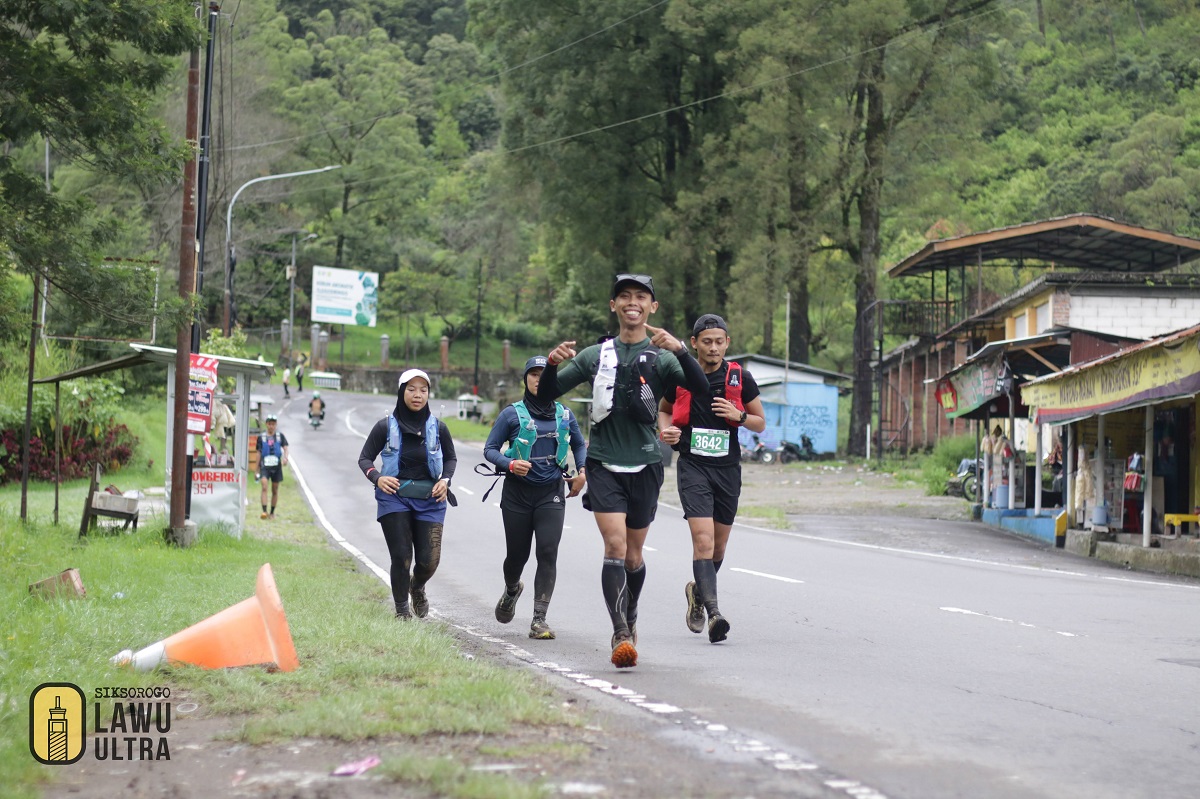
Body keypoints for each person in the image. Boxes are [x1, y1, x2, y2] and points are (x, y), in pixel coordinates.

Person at [538, 273, 709, 668]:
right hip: (603, 464)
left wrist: (682, 351)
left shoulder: (664, 356)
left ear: (653, 307)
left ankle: (631, 618)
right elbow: (547, 393)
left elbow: (701, 389)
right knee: (614, 546)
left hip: (647, 464)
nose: (633, 302)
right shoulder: (596, 356)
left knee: (633, 555)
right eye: (624, 297)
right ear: (614, 306)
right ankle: (619, 633)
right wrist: (551, 363)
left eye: (641, 297)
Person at [657, 313, 766, 644]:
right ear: (694, 344)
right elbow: (663, 409)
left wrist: (740, 416)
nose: (714, 347)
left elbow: (760, 422)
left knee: (718, 547)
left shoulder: (740, 378)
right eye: (707, 342)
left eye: (719, 342)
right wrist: (667, 431)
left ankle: (697, 592)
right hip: (693, 467)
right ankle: (715, 614)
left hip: (728, 470)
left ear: (727, 343)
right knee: (702, 541)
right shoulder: (679, 375)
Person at [484, 356, 588, 640]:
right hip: (517, 494)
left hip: (550, 492)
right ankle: (512, 588)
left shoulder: (564, 414)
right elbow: (490, 449)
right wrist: (509, 465)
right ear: (526, 379)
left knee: (547, 551)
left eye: (545, 375)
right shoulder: (511, 414)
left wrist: (582, 471)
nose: (539, 379)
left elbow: (579, 444)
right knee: (517, 556)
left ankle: (539, 619)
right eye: (534, 374)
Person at [358, 369, 458, 619]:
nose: (417, 395)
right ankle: (402, 611)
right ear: (402, 392)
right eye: (411, 389)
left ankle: (417, 586)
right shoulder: (384, 426)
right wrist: (377, 478)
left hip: (431, 499)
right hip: (394, 497)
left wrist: (445, 480)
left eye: (423, 390)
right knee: (402, 556)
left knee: (428, 562)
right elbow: (365, 458)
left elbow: (451, 458)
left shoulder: (439, 428)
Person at [256, 414, 289, 519]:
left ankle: (272, 512)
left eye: (273, 424)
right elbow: (258, 453)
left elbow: (286, 448)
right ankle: (264, 511)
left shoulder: (280, 436)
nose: (271, 426)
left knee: (275, 489)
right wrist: (257, 469)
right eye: (269, 424)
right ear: (266, 424)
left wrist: (285, 458)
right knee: (264, 486)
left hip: (276, 466)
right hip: (264, 466)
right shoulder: (261, 437)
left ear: (276, 425)